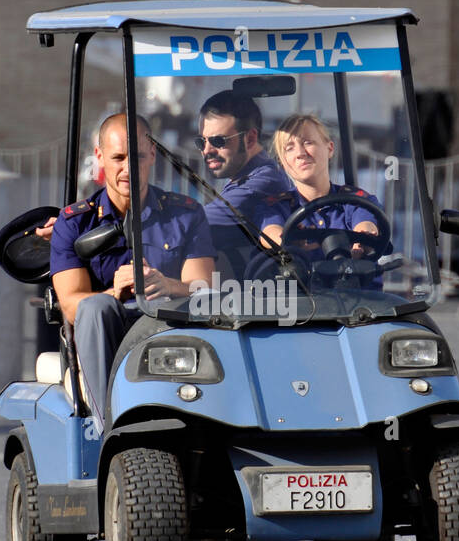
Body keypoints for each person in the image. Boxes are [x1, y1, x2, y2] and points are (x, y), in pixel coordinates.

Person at [50, 113, 214, 429]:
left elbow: (204, 285)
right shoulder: (75, 223)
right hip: (105, 334)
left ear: (152, 153)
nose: (128, 168)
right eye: (118, 158)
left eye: (137, 156)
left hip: (167, 329)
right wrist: (115, 292)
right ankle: (109, 431)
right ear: (99, 157)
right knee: (96, 306)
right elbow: (72, 306)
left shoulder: (186, 214)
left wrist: (167, 285)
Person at [261, 113, 384, 258]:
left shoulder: (355, 201)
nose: (300, 153)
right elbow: (270, 232)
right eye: (289, 148)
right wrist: (287, 242)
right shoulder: (276, 207)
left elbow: (365, 223)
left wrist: (363, 240)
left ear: (330, 149)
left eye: (308, 142)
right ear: (282, 163)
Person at [196, 91, 291, 228]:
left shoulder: (263, 183)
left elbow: (192, 224)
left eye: (218, 141)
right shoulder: (247, 175)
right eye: (201, 142)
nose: (206, 150)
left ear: (250, 139)